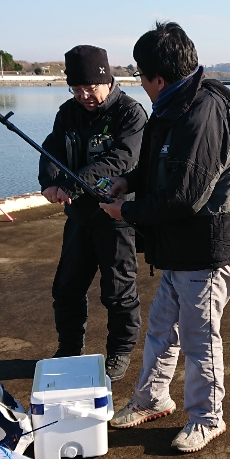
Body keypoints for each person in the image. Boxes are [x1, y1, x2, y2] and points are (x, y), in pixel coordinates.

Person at [99, 22, 230, 453]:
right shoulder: (172, 105)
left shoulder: (203, 113)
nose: (141, 85)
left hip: (207, 250)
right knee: (163, 328)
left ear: (158, 79)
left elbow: (185, 196)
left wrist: (126, 211)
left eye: (141, 77)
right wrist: (128, 181)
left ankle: (207, 417)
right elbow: (158, 166)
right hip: (180, 249)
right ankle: (152, 398)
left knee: (200, 339)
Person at [38, 45, 147, 382]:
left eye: (90, 88)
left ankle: (120, 352)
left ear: (107, 80)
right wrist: (49, 181)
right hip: (79, 217)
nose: (84, 96)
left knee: (118, 292)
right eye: (76, 89)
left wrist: (70, 185)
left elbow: (121, 159)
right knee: (66, 288)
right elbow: (52, 148)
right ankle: (69, 348)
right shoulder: (68, 113)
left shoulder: (130, 113)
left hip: (117, 215)